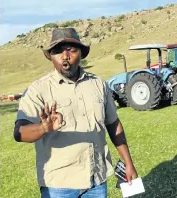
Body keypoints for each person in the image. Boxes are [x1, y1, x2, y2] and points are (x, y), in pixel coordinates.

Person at [14, 28, 137, 198]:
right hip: (59, 185)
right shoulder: (38, 90)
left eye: (71, 49)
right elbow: (19, 132)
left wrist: (128, 163)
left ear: (81, 53)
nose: (65, 56)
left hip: (96, 181)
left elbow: (113, 124)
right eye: (58, 51)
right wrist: (43, 128)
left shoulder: (98, 84)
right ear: (51, 57)